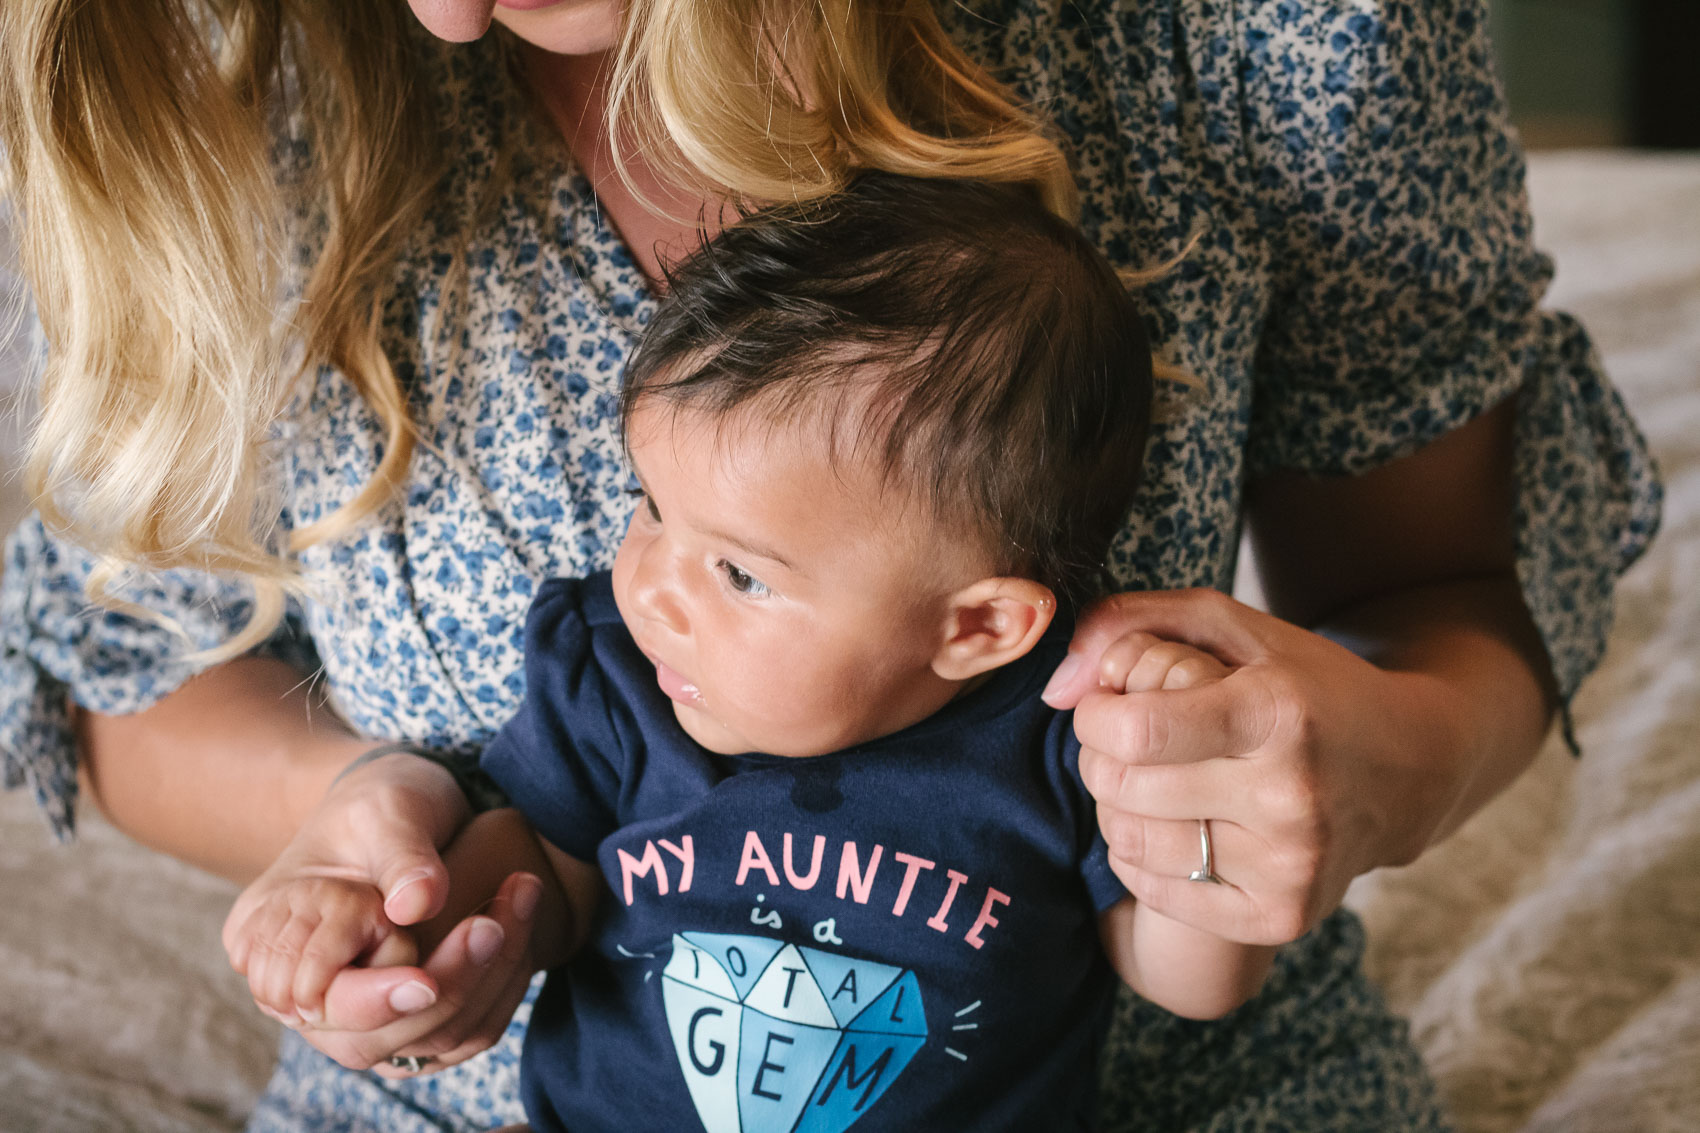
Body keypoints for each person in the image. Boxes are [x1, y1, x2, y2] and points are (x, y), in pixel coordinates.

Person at [0, 1, 1659, 1130]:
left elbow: (1425, 589)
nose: (440, 13)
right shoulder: (214, 69)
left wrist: (1370, 770)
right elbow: (117, 679)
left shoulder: (1252, 36)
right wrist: (386, 851)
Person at [225, 171, 1280, 1132]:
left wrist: (1194, 801)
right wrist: (406, 917)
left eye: (739, 573)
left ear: (974, 627)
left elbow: (1189, 980)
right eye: (649, 505)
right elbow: (548, 875)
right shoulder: (618, 676)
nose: (650, 587)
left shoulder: (1064, 730)